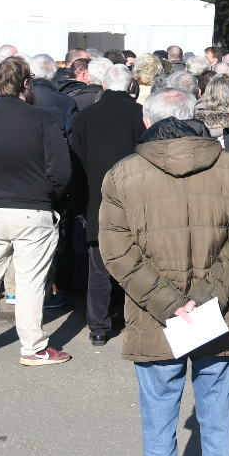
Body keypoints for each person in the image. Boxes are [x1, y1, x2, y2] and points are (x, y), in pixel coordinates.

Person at [99, 88, 229, 456]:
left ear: (149, 122)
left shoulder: (123, 173)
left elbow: (115, 251)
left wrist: (172, 304)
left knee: (159, 423)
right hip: (218, 313)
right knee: (217, 418)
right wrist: (204, 300)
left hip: (159, 318)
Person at [0, 56, 73, 365]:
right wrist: (49, 195)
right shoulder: (41, 119)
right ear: (27, 84)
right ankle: (33, 346)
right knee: (30, 282)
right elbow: (61, 171)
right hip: (32, 208)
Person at [69, 63, 147, 347]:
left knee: (99, 267)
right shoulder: (142, 115)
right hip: (137, 201)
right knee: (136, 264)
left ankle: (98, 326)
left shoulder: (86, 116)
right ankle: (135, 321)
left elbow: (76, 166)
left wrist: (78, 206)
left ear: (102, 85)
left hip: (97, 200)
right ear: (131, 86)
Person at [26, 55, 77, 135]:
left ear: (30, 71)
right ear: (54, 74)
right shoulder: (66, 101)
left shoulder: (20, 97)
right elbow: (71, 136)